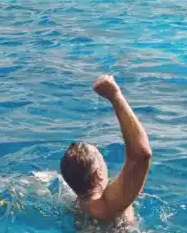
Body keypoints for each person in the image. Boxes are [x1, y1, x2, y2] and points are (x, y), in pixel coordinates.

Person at [59, 74, 153, 226]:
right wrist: (115, 96)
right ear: (98, 174)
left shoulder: (75, 203)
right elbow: (141, 156)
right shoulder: (109, 205)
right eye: (100, 157)